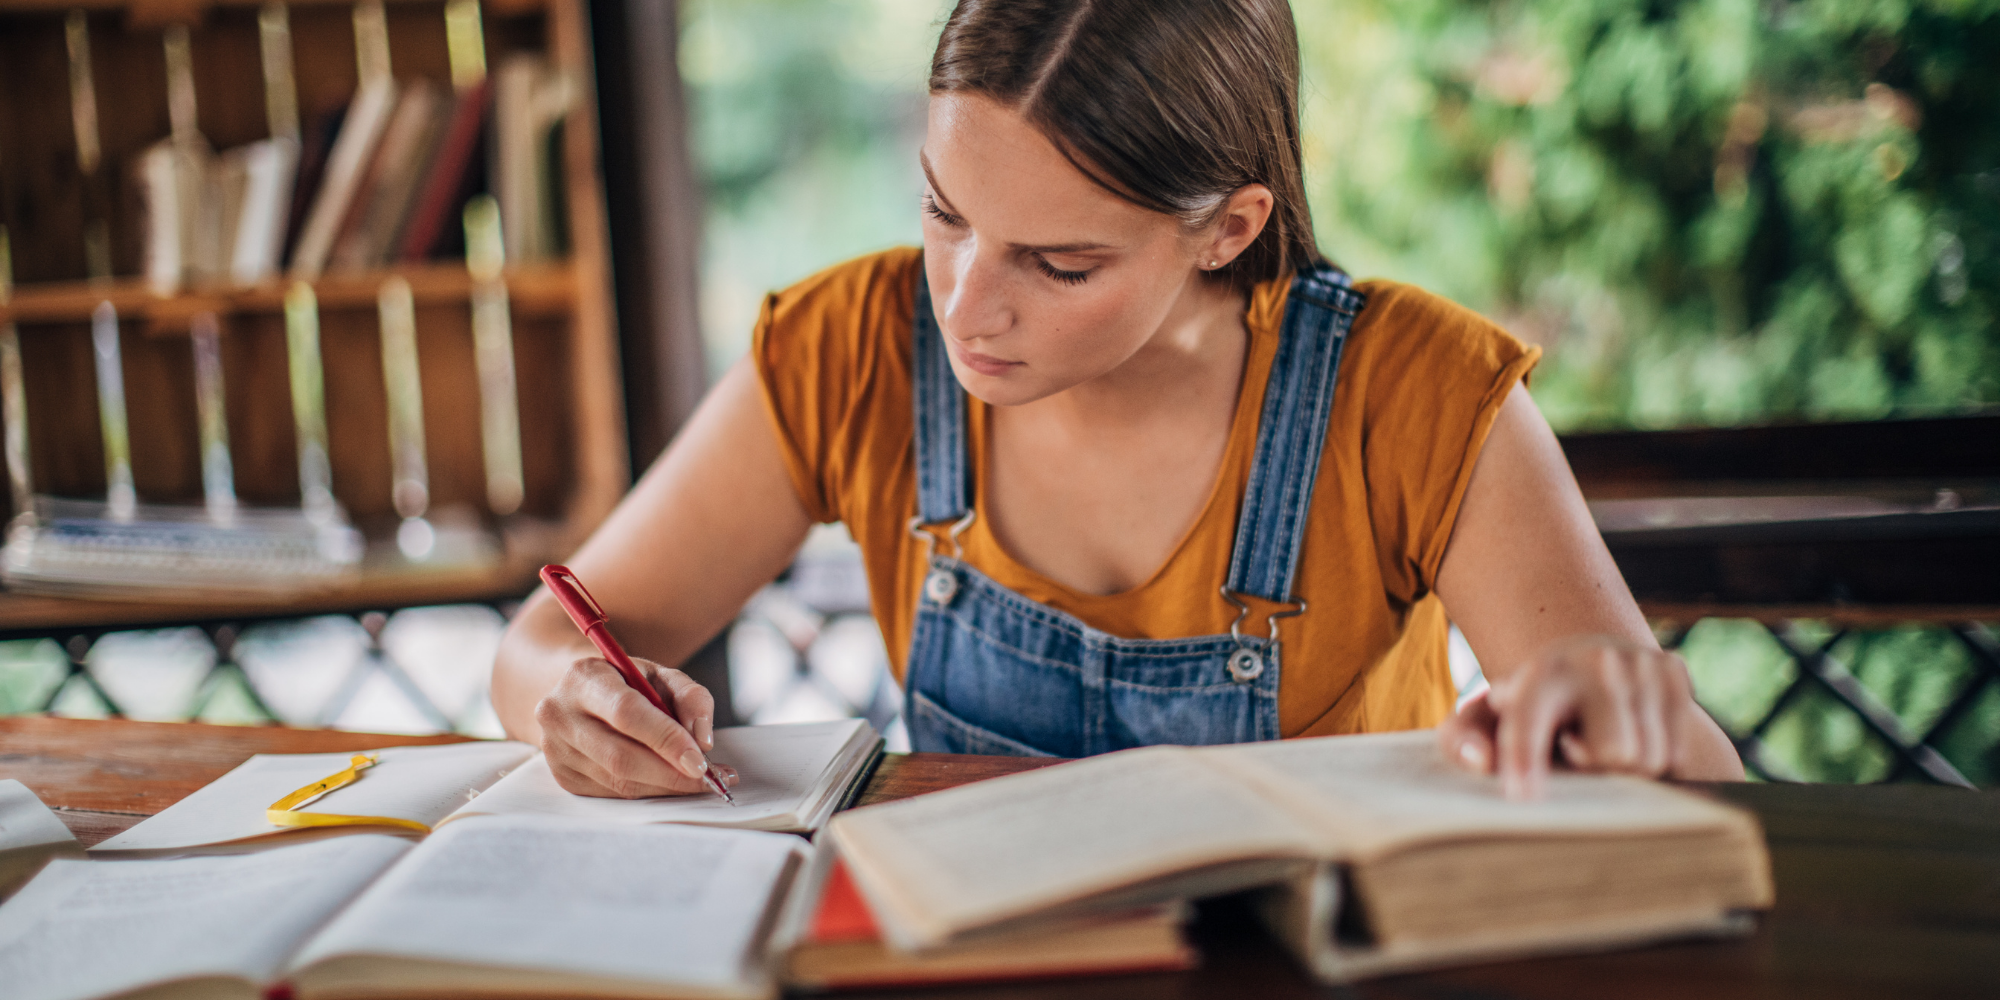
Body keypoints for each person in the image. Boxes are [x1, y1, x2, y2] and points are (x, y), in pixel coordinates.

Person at [491, 0, 1744, 801]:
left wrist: (1638, 715)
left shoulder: (1409, 389)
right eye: (942, 211)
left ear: (1228, 228)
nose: (966, 307)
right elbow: (546, 641)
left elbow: (1695, 790)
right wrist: (572, 708)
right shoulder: (848, 346)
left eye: (1059, 263)